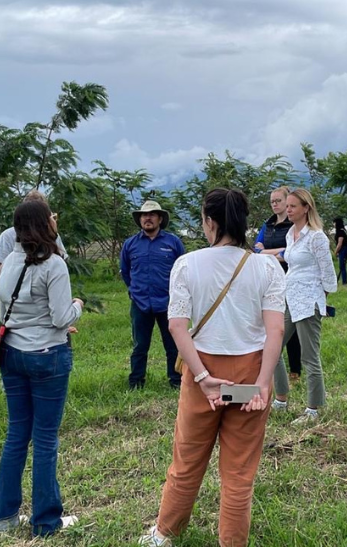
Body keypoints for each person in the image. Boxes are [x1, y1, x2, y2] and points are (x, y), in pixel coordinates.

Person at [138, 188, 285, 547]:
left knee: (187, 460)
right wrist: (264, 384)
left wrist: (203, 378)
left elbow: (176, 326)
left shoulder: (187, 264)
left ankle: (165, 533)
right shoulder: (266, 266)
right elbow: (275, 330)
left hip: (203, 374)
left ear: (210, 221)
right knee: (238, 472)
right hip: (250, 374)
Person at [0, 200, 83, 537]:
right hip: (47, 355)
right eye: (51, 217)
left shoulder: (11, 261)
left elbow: (5, 310)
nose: (55, 220)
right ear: (44, 224)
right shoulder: (53, 264)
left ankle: (3, 518)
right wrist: (77, 306)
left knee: (17, 433)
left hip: (12, 354)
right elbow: (61, 318)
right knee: (45, 439)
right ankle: (46, 521)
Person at [271, 188, 338, 424]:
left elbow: (329, 275)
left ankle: (313, 409)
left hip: (308, 303)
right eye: (287, 206)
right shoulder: (291, 234)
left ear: (306, 208)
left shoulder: (316, 237)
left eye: (293, 206)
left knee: (309, 356)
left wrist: (319, 298)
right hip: (289, 299)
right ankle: (280, 399)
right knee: (272, 349)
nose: (288, 210)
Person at [120, 200, 186, 389]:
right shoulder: (130, 244)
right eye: (143, 215)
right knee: (140, 346)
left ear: (159, 218)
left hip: (168, 304)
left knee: (173, 346)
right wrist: (134, 291)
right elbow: (125, 272)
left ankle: (177, 382)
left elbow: (182, 271)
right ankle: (136, 383)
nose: (147, 218)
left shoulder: (173, 242)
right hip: (140, 303)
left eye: (151, 214)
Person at [254, 186, 303, 382]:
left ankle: (295, 369)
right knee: (272, 325)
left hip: (290, 278)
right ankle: (273, 368)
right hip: (268, 280)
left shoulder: (293, 226)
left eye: (278, 201)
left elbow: (293, 252)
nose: (275, 205)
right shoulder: (267, 225)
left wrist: (269, 252)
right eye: (272, 202)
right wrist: (278, 253)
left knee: (291, 326)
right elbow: (255, 250)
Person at [0, 190, 67, 276]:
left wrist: (53, 237)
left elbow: (62, 261)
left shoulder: (51, 234)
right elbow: (0, 271)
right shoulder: (7, 236)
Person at [333, 217, 347, 286]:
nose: (333, 224)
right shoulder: (342, 231)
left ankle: (344, 281)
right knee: (342, 266)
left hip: (343, 249)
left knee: (342, 266)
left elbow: (340, 244)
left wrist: (335, 251)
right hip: (344, 249)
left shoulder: (340, 232)